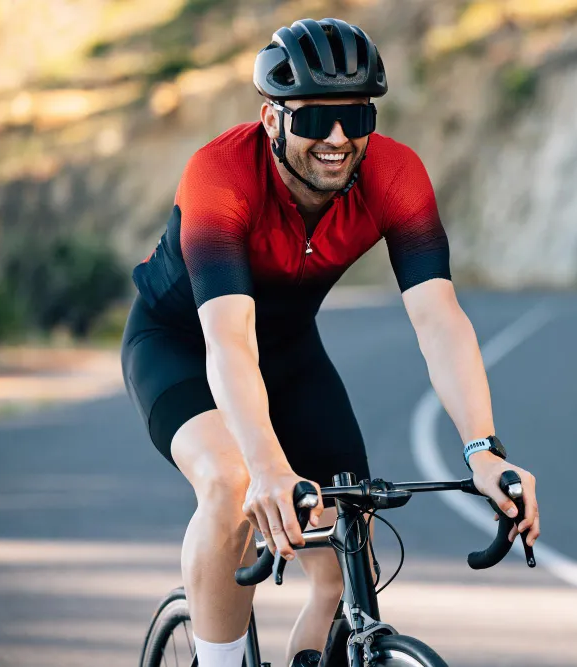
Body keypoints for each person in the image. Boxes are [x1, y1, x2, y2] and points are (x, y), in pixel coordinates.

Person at [120, 17, 541, 667]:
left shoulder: (394, 175)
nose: (339, 138)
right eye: (316, 120)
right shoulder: (220, 177)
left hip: (288, 352)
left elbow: (439, 319)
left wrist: (484, 448)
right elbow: (229, 340)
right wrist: (265, 466)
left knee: (349, 551)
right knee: (231, 484)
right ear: (271, 119)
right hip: (183, 346)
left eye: (356, 117)